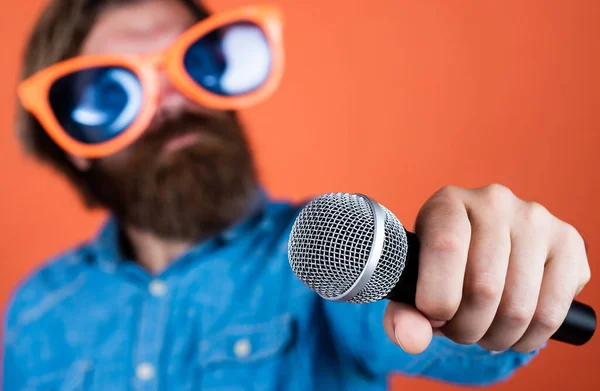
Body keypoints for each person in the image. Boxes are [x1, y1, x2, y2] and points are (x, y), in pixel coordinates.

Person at [3, 0, 591, 390]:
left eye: (198, 62)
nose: (175, 100)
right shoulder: (35, 315)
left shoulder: (330, 255)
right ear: (71, 138)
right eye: (113, 90)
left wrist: (496, 272)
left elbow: (450, 337)